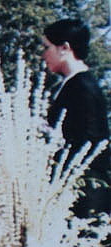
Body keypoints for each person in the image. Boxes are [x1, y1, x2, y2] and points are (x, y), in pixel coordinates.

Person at [43, 18, 111, 217]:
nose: (43, 54)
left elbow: (90, 144)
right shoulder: (67, 84)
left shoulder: (83, 87)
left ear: (64, 48)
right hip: (71, 187)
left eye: (47, 47)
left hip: (84, 193)